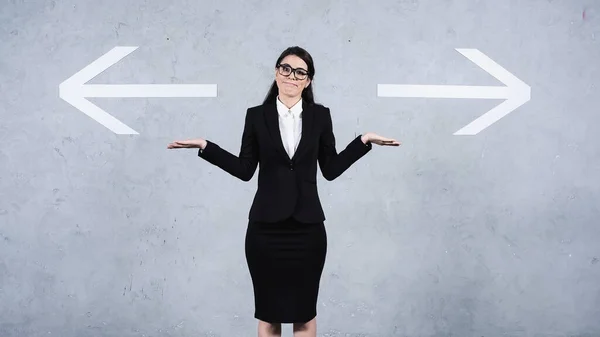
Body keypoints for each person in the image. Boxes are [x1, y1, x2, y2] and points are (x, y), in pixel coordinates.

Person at [167, 46, 400, 337]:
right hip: (265, 231)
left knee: (304, 316)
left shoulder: (320, 116)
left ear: (308, 81)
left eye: (300, 72)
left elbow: (330, 168)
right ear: (277, 72)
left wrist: (363, 141)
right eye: (286, 69)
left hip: (307, 231)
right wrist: (206, 146)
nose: (292, 76)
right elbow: (244, 169)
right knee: (269, 316)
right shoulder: (255, 116)